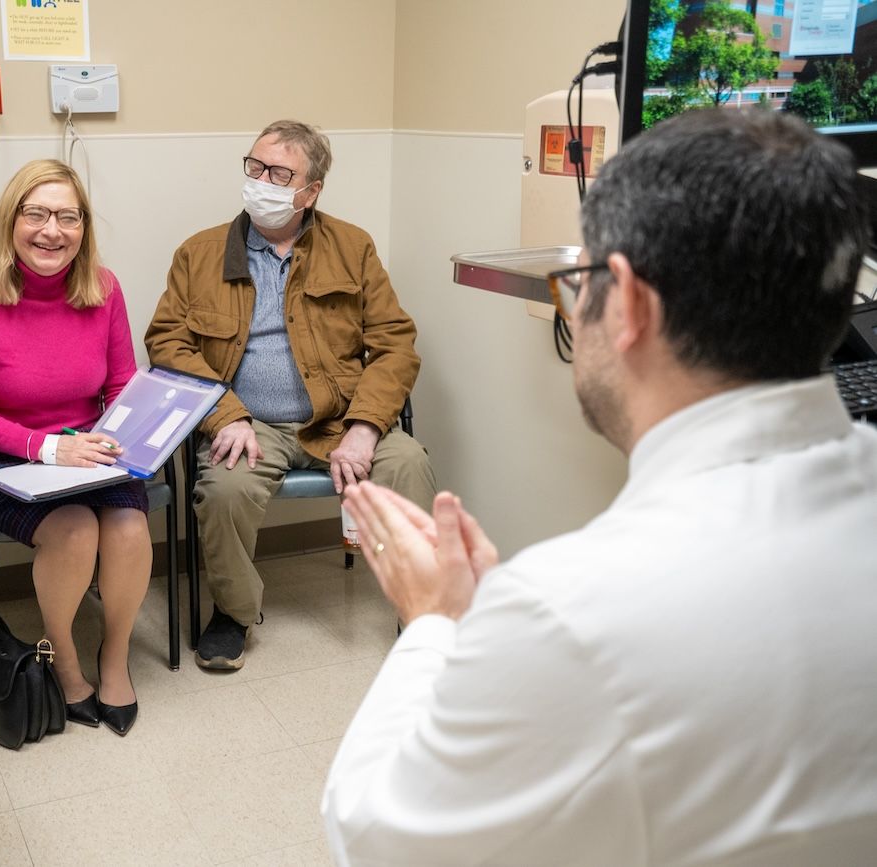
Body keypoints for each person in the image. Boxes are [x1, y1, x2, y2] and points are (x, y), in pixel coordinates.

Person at [322, 108, 877, 864]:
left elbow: (376, 838)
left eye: (576, 279)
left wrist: (436, 622)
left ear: (627, 302)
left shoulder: (568, 610)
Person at [145, 119, 438, 671]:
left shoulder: (352, 247)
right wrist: (223, 413)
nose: (262, 180)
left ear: (310, 192)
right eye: (254, 167)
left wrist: (368, 426)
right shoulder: (200, 253)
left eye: (280, 173)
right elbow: (167, 341)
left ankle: (420, 610)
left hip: (342, 421)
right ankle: (233, 613)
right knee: (225, 490)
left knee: (410, 463)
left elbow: (395, 344)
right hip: (247, 423)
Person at [0, 159, 148, 736]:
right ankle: (65, 662)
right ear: (10, 221)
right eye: (36, 214)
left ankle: (114, 658)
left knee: (128, 531)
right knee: (76, 530)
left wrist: (131, 430)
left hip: (91, 451)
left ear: (83, 228)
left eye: (67, 217)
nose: (51, 231)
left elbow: (121, 385)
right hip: (12, 457)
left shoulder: (103, 289)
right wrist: (47, 448)